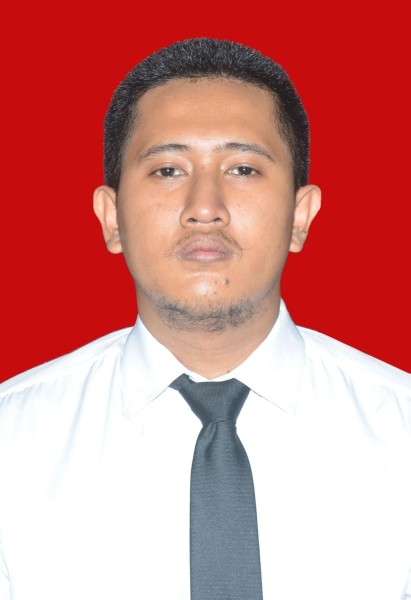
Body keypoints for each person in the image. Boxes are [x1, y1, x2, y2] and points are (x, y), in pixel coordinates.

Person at [0, 38, 410, 600]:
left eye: (243, 168)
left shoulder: (401, 430)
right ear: (111, 217)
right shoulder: (12, 442)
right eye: (168, 169)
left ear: (300, 215)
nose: (204, 207)